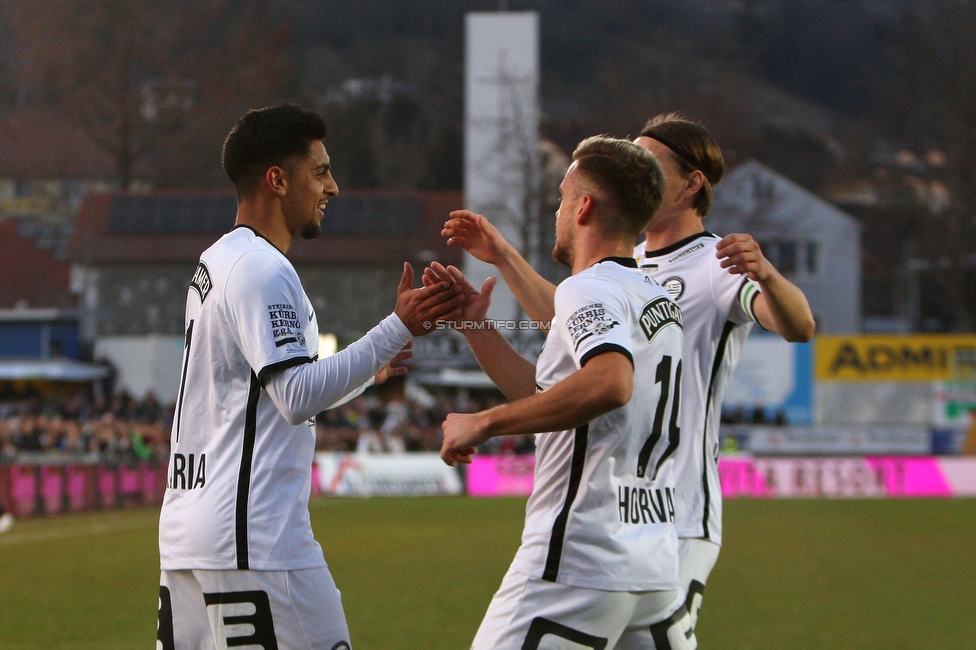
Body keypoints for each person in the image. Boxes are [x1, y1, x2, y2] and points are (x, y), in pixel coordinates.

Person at [441, 113, 815, 631]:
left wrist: (767, 272)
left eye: (651, 163)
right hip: (635, 513)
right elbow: (570, 328)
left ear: (691, 184)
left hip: (670, 510)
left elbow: (798, 327)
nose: (639, 167)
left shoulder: (714, 262)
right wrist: (503, 260)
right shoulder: (634, 271)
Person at [156, 104, 463, 650]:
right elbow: (295, 395)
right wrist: (397, 327)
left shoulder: (216, 261)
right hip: (255, 540)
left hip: (191, 534)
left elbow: (261, 396)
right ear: (278, 179)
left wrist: (370, 371)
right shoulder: (262, 267)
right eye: (320, 171)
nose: (334, 187)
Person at [438, 136, 697, 649]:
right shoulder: (654, 298)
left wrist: (483, 422)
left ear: (584, 207)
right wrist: (478, 328)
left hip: (578, 558)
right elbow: (557, 396)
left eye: (561, 198)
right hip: (650, 563)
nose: (557, 210)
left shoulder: (589, 287)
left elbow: (608, 382)